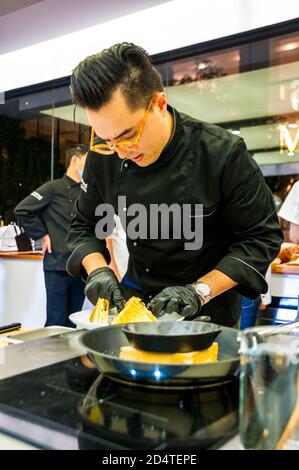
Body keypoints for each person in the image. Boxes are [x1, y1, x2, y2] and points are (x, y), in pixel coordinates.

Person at [66, 43, 283, 327]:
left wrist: (197, 292)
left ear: (159, 103)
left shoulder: (221, 154)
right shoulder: (104, 158)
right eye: (107, 140)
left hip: (208, 315)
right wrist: (97, 270)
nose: (120, 151)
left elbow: (260, 238)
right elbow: (84, 226)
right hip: (135, 310)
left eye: (128, 136)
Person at [14, 144, 88, 326]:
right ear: (75, 160)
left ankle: (71, 356)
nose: (90, 168)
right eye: (88, 162)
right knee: (56, 321)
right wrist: (42, 234)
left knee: (73, 321)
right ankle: (51, 355)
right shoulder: (52, 188)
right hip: (56, 266)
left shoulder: (87, 192)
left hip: (80, 267)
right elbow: (22, 210)